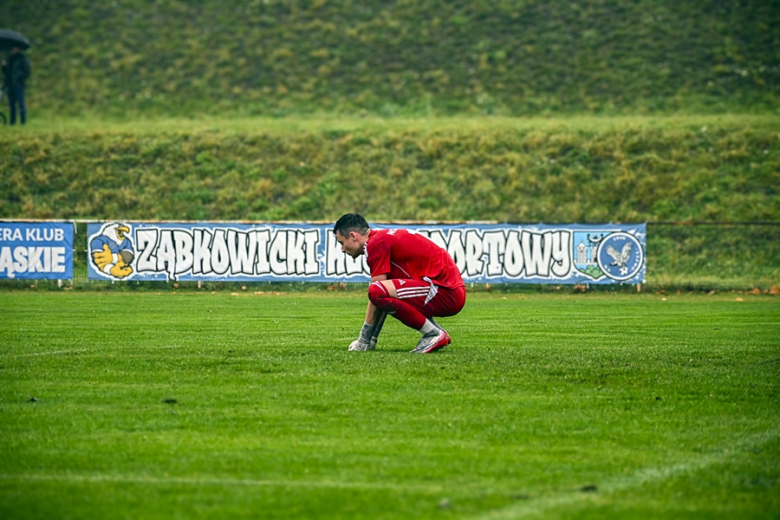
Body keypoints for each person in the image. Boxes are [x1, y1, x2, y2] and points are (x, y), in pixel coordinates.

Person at [333, 213, 466, 354]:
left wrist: (363, 340)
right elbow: (383, 298)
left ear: (353, 236)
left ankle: (433, 334)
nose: (342, 249)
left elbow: (377, 294)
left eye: (342, 242)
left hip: (445, 290)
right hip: (448, 289)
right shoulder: (380, 238)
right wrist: (370, 340)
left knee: (376, 291)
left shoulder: (374, 243)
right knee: (381, 291)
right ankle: (435, 332)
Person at [2, 46, 31, 125]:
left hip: (18, 84)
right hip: (10, 84)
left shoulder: (22, 59)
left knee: (21, 103)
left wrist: (20, 80)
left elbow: (26, 71)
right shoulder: (10, 59)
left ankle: (23, 122)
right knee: (12, 104)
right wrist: (4, 66)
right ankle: (12, 122)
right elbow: (6, 72)